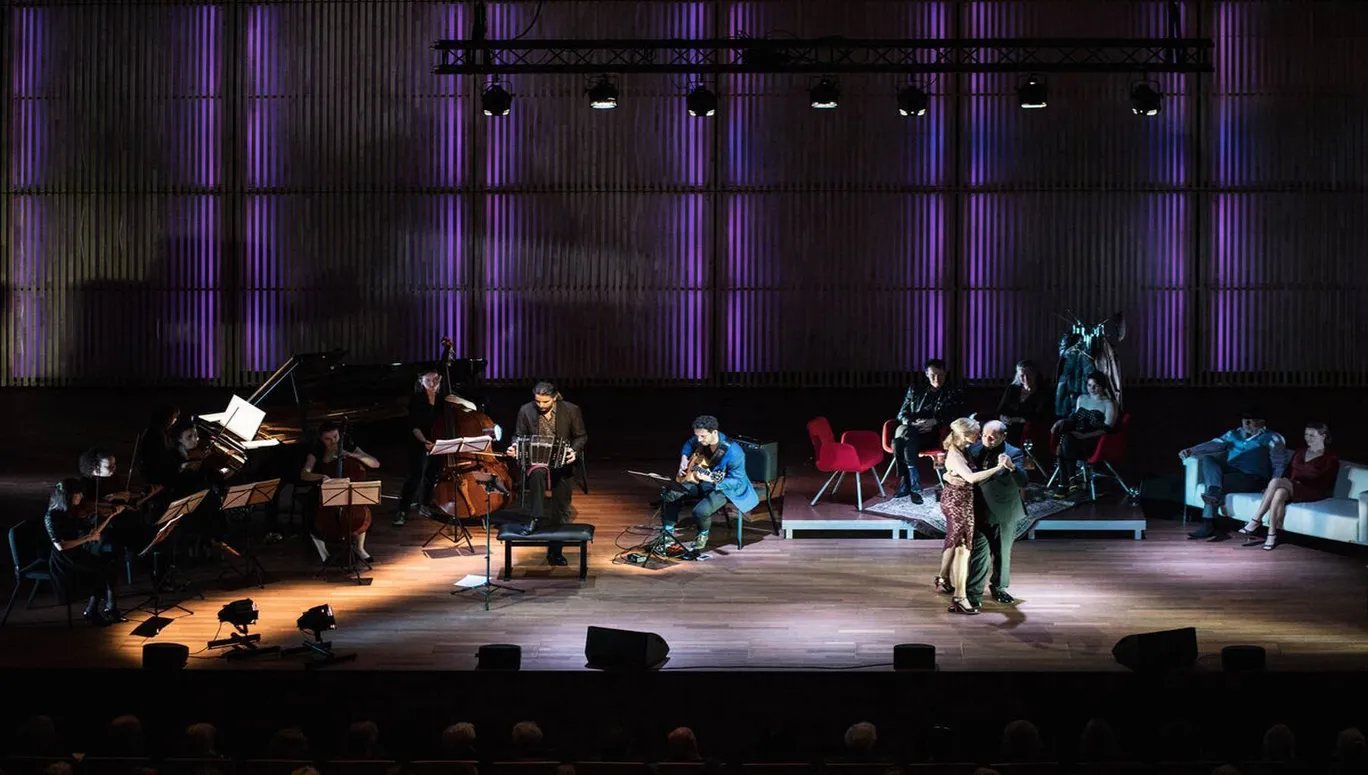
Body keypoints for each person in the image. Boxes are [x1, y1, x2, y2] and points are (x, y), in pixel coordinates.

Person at [934, 418, 1014, 615]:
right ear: (964, 434)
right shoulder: (956, 452)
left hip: (961, 499)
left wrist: (947, 474)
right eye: (977, 433)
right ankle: (960, 597)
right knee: (963, 547)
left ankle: (943, 579)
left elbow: (954, 469)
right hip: (958, 503)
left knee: (955, 541)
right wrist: (998, 468)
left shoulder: (964, 447)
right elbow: (969, 477)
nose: (980, 436)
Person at [505, 382, 587, 565]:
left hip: (562, 462)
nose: (541, 406)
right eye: (538, 402)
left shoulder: (571, 410)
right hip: (537, 460)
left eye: (545, 402)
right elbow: (518, 435)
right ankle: (536, 517)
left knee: (561, 508)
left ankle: (555, 551)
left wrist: (573, 451)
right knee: (537, 474)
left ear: (555, 397)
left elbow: (581, 436)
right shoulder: (526, 410)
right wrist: (515, 446)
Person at [1179, 405, 1287, 540]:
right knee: (1208, 461)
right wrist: (1191, 450)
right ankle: (1213, 497)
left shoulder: (1273, 438)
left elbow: (1279, 464)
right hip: (1232, 471)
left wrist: (1272, 485)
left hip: (1252, 477)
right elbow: (1214, 444)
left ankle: (1209, 524)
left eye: (1251, 420)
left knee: (1213, 485)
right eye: (1244, 420)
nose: (1246, 423)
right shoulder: (1233, 434)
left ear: (1261, 422)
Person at [661, 415, 759, 552]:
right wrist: (684, 458)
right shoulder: (701, 438)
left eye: (702, 437)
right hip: (703, 479)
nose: (699, 440)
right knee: (671, 493)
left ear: (714, 432)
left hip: (725, 487)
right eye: (697, 436)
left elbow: (737, 481)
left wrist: (711, 479)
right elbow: (690, 444)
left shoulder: (735, 453)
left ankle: (703, 534)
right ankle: (668, 532)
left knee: (700, 512)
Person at [394, 368, 478, 526]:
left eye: (436, 380)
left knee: (431, 475)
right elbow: (414, 426)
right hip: (419, 441)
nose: (433, 384)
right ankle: (402, 510)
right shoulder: (416, 399)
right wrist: (425, 442)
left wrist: (459, 401)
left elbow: (473, 407)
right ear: (421, 381)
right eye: (428, 380)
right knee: (415, 476)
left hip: (441, 443)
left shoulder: (445, 397)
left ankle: (425, 504)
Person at [1238, 421, 1338, 550]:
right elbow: (1289, 471)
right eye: (1306, 434)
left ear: (1323, 436)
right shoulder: (1300, 451)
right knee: (1279, 492)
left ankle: (1256, 520)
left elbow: (1323, 480)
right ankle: (1272, 534)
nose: (1307, 438)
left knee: (1275, 482)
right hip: (1293, 487)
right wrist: (1274, 488)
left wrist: (1292, 480)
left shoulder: (1330, 458)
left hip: (1314, 491)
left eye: (1312, 435)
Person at [965, 420, 1029, 605]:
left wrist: (1012, 467)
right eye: (984, 435)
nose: (987, 439)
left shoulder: (1013, 453)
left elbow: (1023, 482)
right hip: (980, 510)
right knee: (979, 553)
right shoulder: (974, 449)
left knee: (1001, 552)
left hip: (1003, 512)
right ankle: (973, 594)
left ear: (1004, 436)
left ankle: (999, 588)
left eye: (992, 436)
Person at [44, 478, 124, 625]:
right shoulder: (52, 516)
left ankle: (108, 608)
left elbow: (94, 532)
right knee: (100, 571)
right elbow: (61, 546)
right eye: (77, 493)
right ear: (67, 496)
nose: (81, 496)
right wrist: (88, 539)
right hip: (63, 559)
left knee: (110, 567)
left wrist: (112, 515)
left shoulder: (73, 512)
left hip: (77, 553)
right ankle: (91, 611)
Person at [300, 421, 381, 562]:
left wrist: (352, 455)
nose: (333, 442)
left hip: (347, 490)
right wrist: (321, 476)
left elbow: (375, 463)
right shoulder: (316, 450)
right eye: (328, 439)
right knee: (310, 510)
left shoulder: (347, 444)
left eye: (335, 437)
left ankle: (360, 548)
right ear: (321, 439)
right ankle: (324, 553)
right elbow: (304, 474)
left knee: (361, 508)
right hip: (326, 490)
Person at [892, 358, 967, 504]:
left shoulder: (953, 391)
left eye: (940, 375)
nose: (937, 379)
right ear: (926, 374)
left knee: (898, 441)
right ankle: (913, 483)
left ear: (946, 373)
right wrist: (912, 423)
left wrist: (934, 421)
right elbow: (902, 414)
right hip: (912, 431)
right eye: (933, 375)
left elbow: (957, 415)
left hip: (934, 434)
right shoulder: (915, 389)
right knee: (905, 433)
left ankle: (908, 482)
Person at [1047, 370, 1119, 498]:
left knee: (1065, 442)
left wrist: (1085, 436)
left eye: (1095, 385)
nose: (1092, 388)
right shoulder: (1082, 398)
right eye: (1089, 385)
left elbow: (1108, 429)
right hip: (1075, 435)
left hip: (1094, 440)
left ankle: (1064, 484)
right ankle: (1070, 482)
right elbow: (1074, 419)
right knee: (1067, 438)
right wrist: (1059, 422)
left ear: (1102, 386)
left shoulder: (1109, 403)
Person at [996, 359, 1053, 458]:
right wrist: (1003, 417)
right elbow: (1001, 409)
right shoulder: (1012, 389)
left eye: (1029, 374)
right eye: (1022, 375)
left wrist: (1018, 419)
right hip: (1009, 425)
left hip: (1031, 427)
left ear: (1035, 374)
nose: (1025, 378)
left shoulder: (1043, 392)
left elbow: (1041, 415)